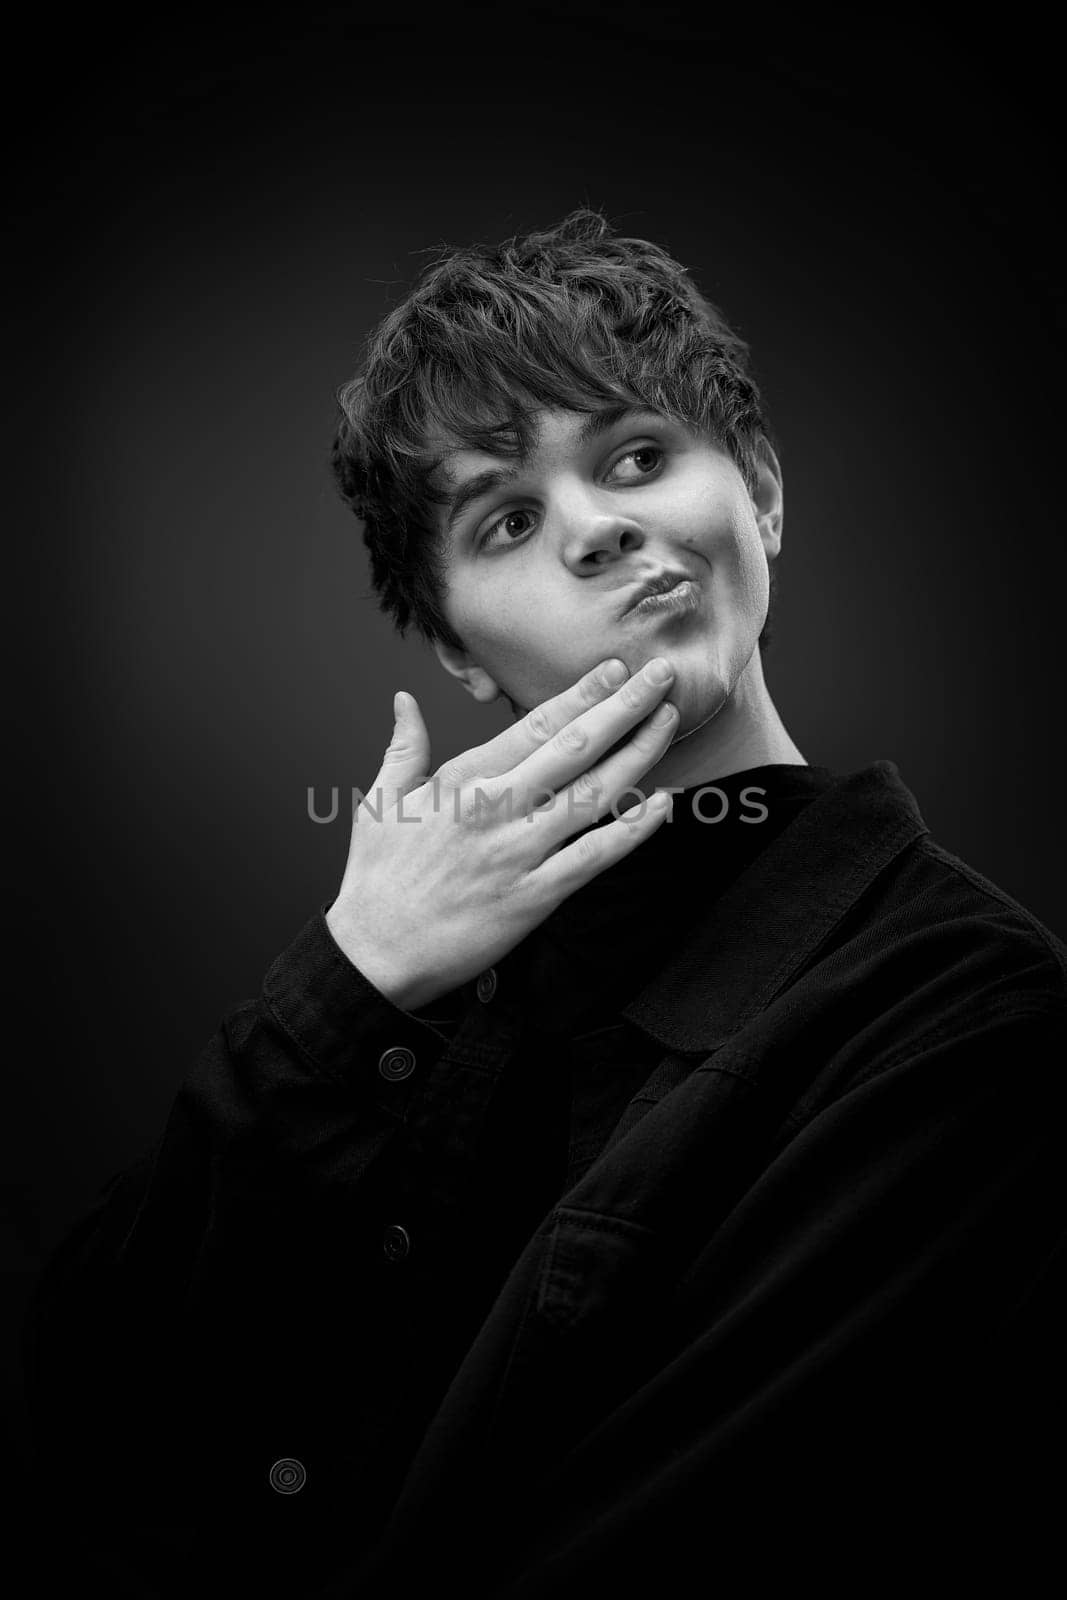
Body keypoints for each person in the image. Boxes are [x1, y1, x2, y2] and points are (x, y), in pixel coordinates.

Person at [23, 209, 1066, 1597]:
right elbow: (92, 1403)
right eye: (507, 517)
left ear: (760, 494)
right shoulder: (408, 971)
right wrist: (353, 978)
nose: (599, 528)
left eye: (638, 456)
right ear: (456, 648)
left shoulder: (959, 1011)